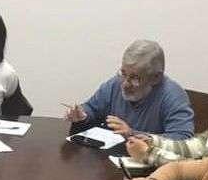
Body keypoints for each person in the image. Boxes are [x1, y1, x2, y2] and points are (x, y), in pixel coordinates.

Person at [64, 39, 194, 140]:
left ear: (156, 77)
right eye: (123, 73)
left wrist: (132, 134)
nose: (125, 84)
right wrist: (82, 115)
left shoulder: (173, 96)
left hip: (150, 164)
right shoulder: (115, 83)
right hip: (110, 159)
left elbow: (182, 139)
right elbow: (92, 108)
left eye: (135, 78)